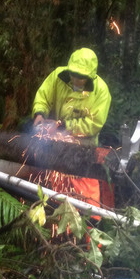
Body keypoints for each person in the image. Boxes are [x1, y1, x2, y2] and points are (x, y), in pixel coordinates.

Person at [31, 48, 111, 211]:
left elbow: (93, 124)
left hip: (83, 149)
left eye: (81, 76)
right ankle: (53, 215)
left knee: (85, 194)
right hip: (56, 144)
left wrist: (62, 126)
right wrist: (39, 115)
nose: (75, 78)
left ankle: (90, 222)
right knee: (55, 183)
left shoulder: (101, 91)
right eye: (73, 74)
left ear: (90, 76)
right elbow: (43, 97)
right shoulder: (58, 76)